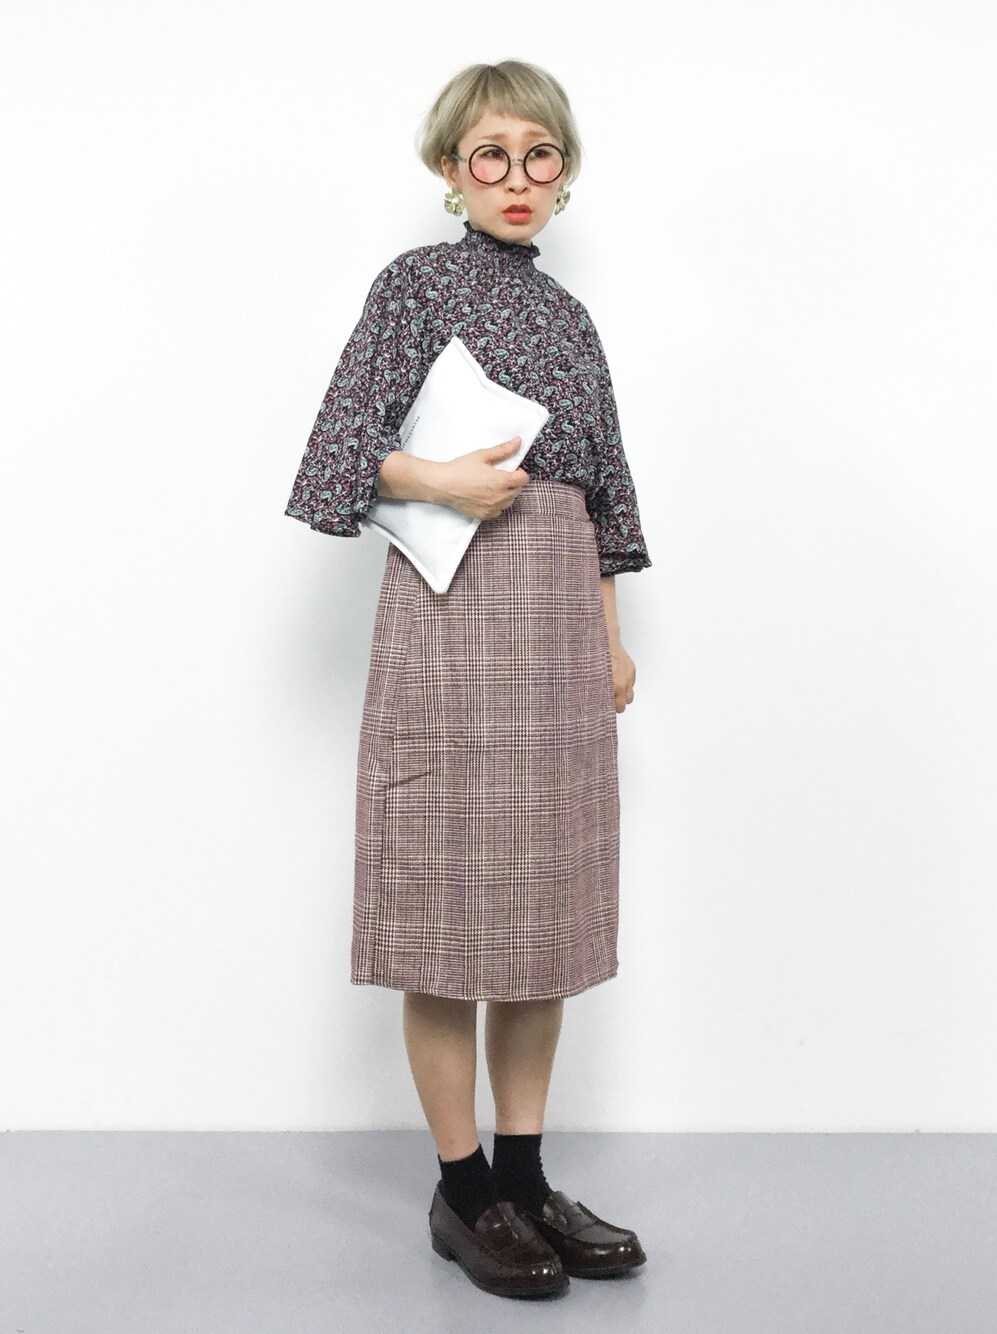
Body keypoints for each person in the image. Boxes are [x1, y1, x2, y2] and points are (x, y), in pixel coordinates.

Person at [285, 59, 651, 1300]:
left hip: (557, 620)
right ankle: (460, 1189)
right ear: (451, 168)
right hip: (446, 611)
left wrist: (609, 635)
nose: (516, 178)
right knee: (442, 907)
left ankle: (525, 1175)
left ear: (564, 172)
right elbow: (339, 451)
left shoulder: (572, 320)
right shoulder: (414, 285)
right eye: (491, 154)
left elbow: (606, 496)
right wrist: (439, 480)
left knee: (544, 911)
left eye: (540, 155)